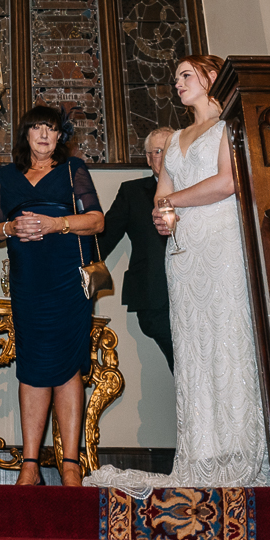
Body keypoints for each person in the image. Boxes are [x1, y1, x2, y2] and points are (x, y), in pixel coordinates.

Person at [86, 54, 270, 491]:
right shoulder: (176, 139)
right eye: (175, 79)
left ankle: (242, 450)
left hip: (222, 243)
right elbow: (160, 197)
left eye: (186, 75)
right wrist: (164, 217)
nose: (178, 84)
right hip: (183, 254)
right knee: (193, 349)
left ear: (211, 78)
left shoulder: (230, 126)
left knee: (228, 341)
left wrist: (173, 204)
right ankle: (201, 452)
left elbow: (228, 182)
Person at [0, 106, 104, 487]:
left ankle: (70, 464)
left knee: (68, 367)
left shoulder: (73, 170)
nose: (44, 135)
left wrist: (56, 224)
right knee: (32, 366)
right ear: (26, 134)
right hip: (28, 281)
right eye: (37, 127)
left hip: (67, 279)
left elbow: (97, 220)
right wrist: (11, 225)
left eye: (51, 129)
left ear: (59, 137)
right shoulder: (8, 176)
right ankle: (30, 464)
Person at [101, 125, 176, 371]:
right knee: (183, 367)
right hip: (155, 298)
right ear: (147, 158)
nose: (163, 156)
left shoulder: (200, 188)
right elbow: (104, 239)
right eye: (157, 151)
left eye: (169, 149)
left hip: (201, 295)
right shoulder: (131, 192)